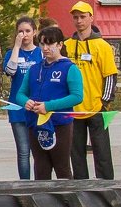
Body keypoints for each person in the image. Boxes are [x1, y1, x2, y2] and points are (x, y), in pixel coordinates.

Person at [15, 26, 83, 180]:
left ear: (59, 45)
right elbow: (20, 94)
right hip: (36, 124)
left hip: (59, 124)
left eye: (50, 44)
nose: (45, 48)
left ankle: (68, 201)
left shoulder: (69, 68)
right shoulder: (34, 68)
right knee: (41, 168)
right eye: (42, 44)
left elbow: (77, 96)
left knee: (62, 167)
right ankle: (42, 201)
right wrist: (26, 102)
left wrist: (49, 106)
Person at [64, 1, 117, 180]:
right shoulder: (67, 45)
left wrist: (104, 102)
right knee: (76, 153)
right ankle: (81, 186)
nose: (79, 21)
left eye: (82, 17)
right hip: (73, 109)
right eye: (75, 17)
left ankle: (106, 186)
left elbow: (110, 75)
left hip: (96, 107)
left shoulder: (102, 46)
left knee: (102, 152)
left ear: (91, 18)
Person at [4, 16, 40, 180]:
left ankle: (40, 181)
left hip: (38, 107)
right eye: (20, 31)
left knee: (39, 150)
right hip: (18, 108)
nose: (24, 34)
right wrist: (17, 47)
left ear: (34, 32)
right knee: (23, 151)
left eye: (27, 31)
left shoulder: (40, 52)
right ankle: (24, 183)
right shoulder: (12, 53)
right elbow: (10, 71)